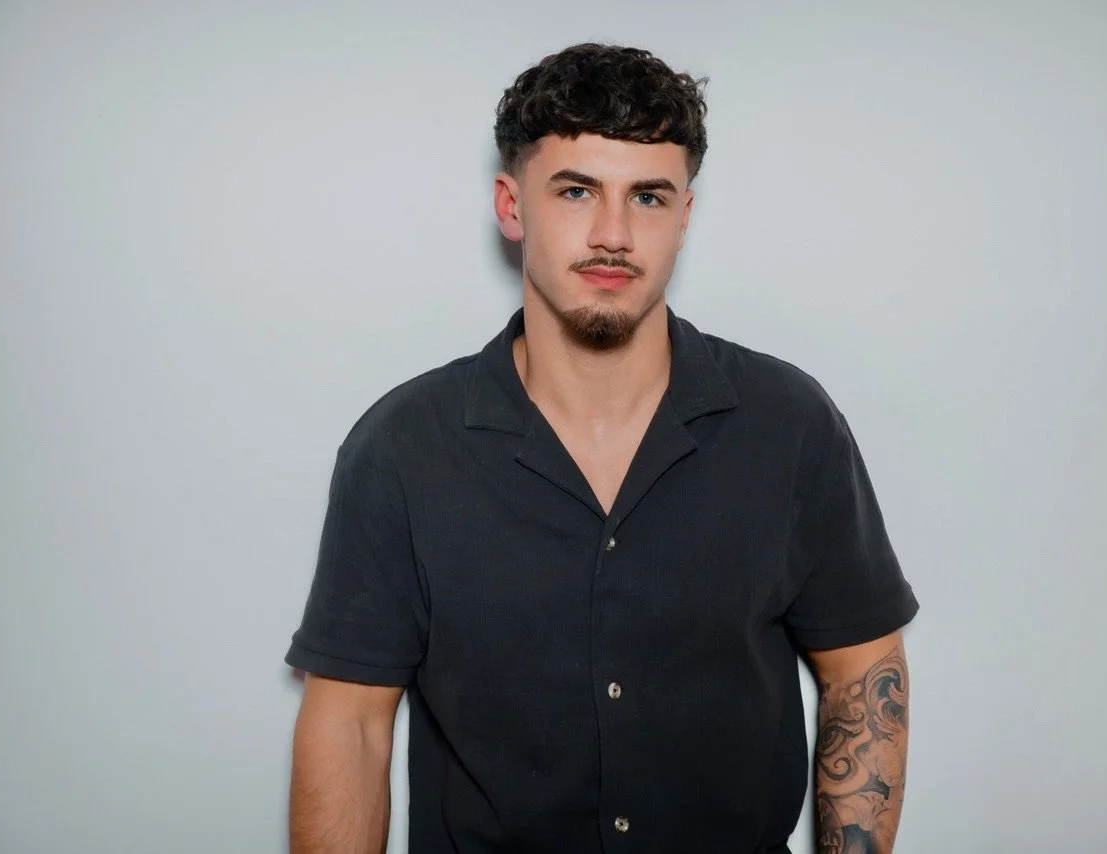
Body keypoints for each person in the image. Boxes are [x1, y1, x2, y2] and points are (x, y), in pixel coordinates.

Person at [285, 42, 919, 854]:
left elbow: (863, 672)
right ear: (512, 207)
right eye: (577, 191)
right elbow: (352, 726)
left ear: (684, 215)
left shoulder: (788, 424)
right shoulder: (402, 448)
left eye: (648, 197)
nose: (614, 234)